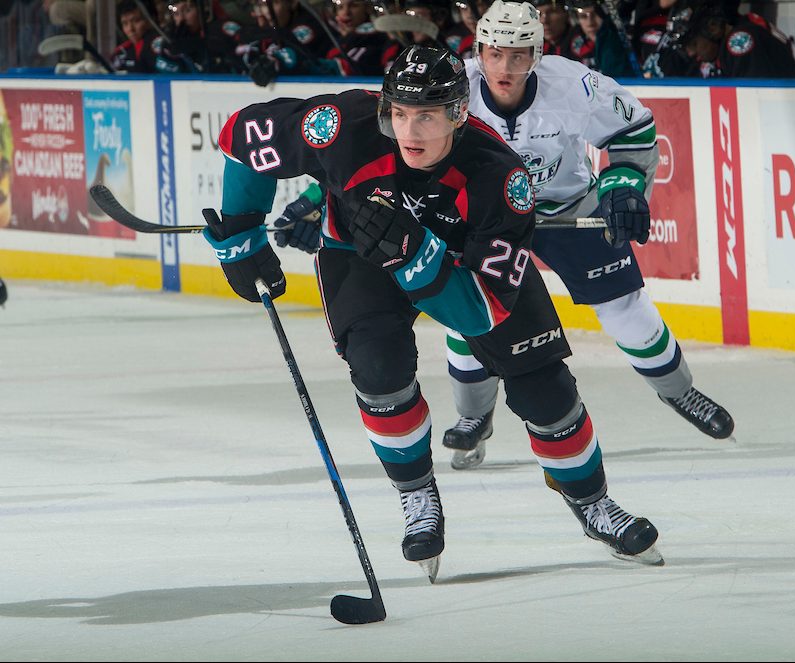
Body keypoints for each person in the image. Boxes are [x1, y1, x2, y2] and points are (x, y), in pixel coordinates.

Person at [205, 43, 663, 576]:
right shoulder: (339, 125)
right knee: (379, 372)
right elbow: (240, 134)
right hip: (359, 254)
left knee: (544, 385)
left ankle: (591, 503)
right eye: (399, 113)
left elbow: (479, 315)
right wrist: (241, 234)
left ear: (458, 114)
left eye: (426, 116)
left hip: (466, 266)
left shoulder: (500, 177)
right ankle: (417, 496)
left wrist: (414, 256)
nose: (410, 132)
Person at [439, 0, 734, 469]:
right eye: (495, 53)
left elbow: (634, 133)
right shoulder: (452, 87)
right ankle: (474, 417)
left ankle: (681, 392)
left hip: (569, 203)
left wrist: (622, 187)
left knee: (625, 308)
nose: (505, 66)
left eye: (518, 55)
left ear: (537, 53)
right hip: (487, 218)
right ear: (479, 50)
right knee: (469, 314)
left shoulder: (575, 85)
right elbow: (403, 145)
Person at [669, 0, 795, 79]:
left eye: (693, 44)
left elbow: (756, 102)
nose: (691, 53)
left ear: (713, 27)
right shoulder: (737, 30)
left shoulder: (739, 42)